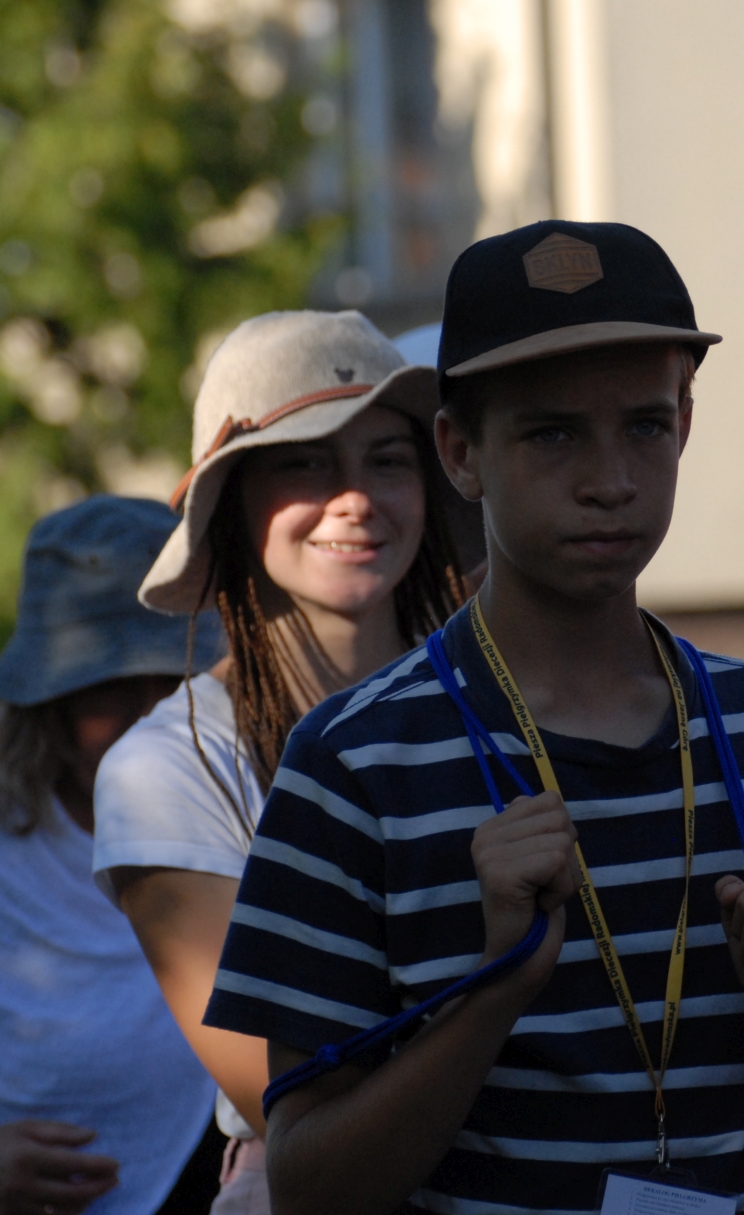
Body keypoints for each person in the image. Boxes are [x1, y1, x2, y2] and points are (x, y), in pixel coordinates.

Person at [199, 220, 744, 1215]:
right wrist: (492, 990)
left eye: (645, 426)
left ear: (687, 422)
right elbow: (310, 1187)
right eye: (552, 433)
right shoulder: (354, 765)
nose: (610, 480)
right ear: (460, 451)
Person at [90, 311, 470, 1214]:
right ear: (230, 504)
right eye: (305, 463)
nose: (355, 497)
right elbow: (291, 1094)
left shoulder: (505, 709)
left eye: (388, 458)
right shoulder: (169, 770)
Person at [0, 496, 223, 1215]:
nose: (152, 714)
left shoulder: (253, 822)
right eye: (112, 688)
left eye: (175, 680)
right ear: (51, 701)